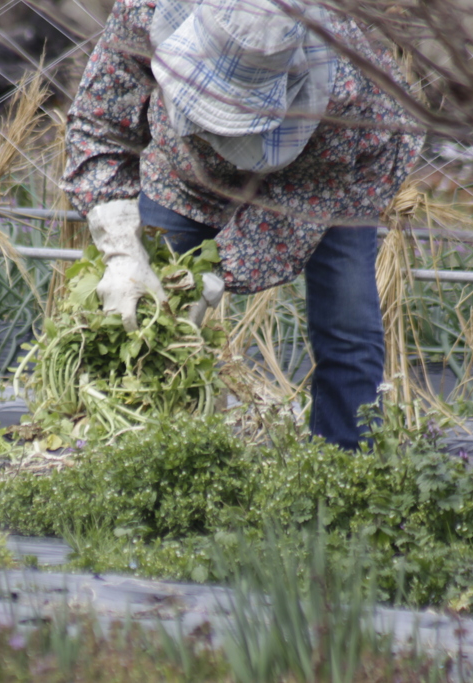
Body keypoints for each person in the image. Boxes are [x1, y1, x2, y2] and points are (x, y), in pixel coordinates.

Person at [60, 0, 423, 449]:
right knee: (142, 318)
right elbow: (100, 118)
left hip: (330, 172)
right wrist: (119, 246)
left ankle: (346, 475)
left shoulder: (345, 93)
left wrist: (213, 273)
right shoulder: (147, 9)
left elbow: (292, 219)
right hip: (183, 169)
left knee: (346, 319)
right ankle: (137, 464)